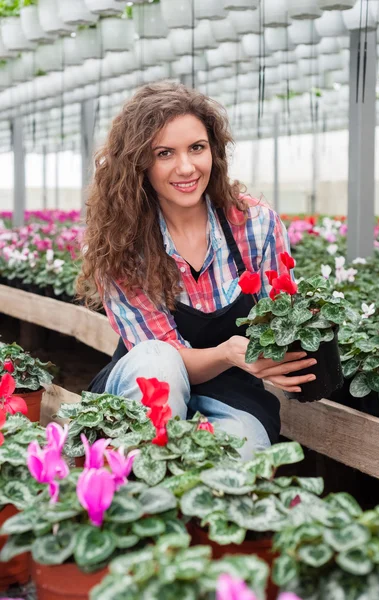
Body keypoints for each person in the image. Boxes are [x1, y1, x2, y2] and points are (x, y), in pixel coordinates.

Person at [77, 81, 317, 460]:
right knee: (160, 360)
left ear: (214, 151)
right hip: (147, 386)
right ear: (139, 162)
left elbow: (282, 315)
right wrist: (229, 352)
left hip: (233, 391)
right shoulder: (120, 245)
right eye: (164, 153)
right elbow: (164, 359)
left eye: (196, 148)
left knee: (240, 456)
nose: (186, 167)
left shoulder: (254, 223)